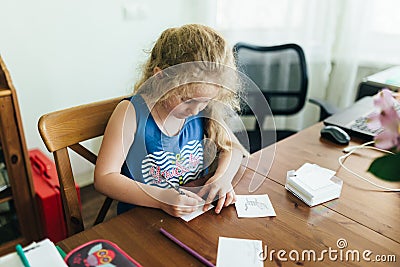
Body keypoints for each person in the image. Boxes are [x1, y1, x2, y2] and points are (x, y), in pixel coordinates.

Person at [94, 24, 248, 218]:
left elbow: (233, 147)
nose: (195, 110)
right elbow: (104, 178)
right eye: (186, 100)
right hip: (142, 219)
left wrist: (222, 178)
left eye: (205, 101)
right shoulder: (131, 113)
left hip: (192, 214)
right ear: (160, 78)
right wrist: (160, 198)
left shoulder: (203, 109)